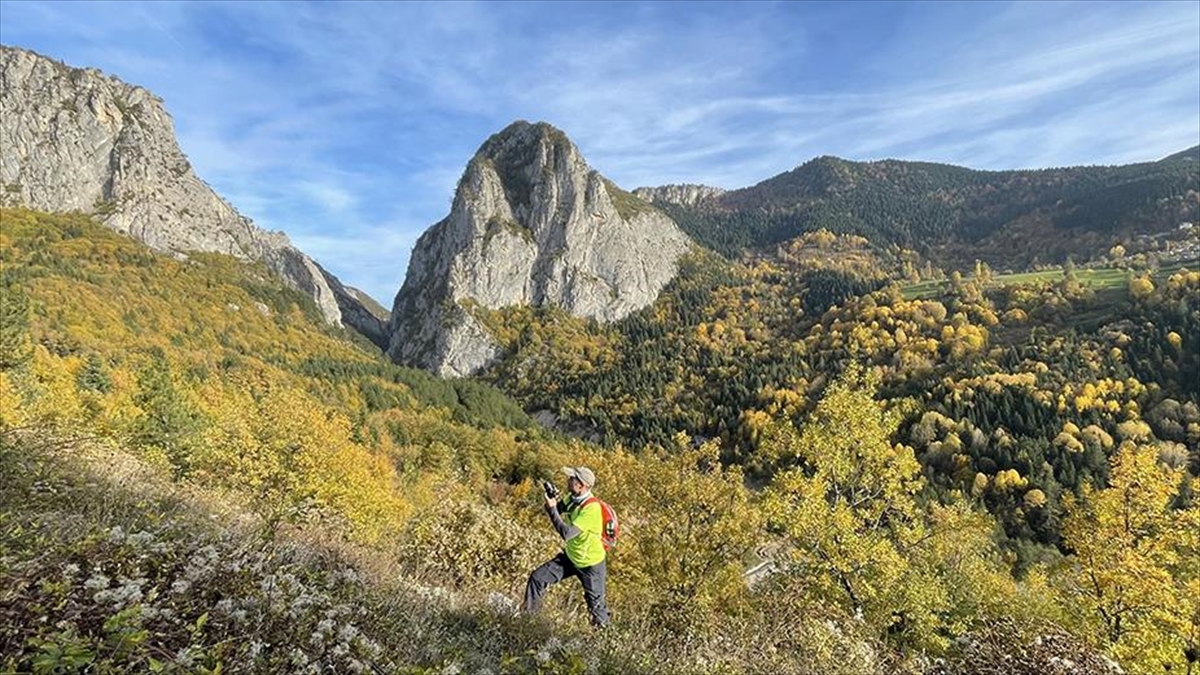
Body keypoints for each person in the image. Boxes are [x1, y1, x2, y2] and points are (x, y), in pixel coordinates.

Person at [522, 466, 610, 627]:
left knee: (596, 608)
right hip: (571, 557)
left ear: (581, 485)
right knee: (537, 578)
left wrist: (553, 509)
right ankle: (528, 622)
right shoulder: (572, 498)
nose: (568, 480)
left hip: (591, 565)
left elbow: (566, 533)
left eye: (572, 479)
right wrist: (551, 501)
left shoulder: (592, 508)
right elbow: (555, 509)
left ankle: (606, 643)